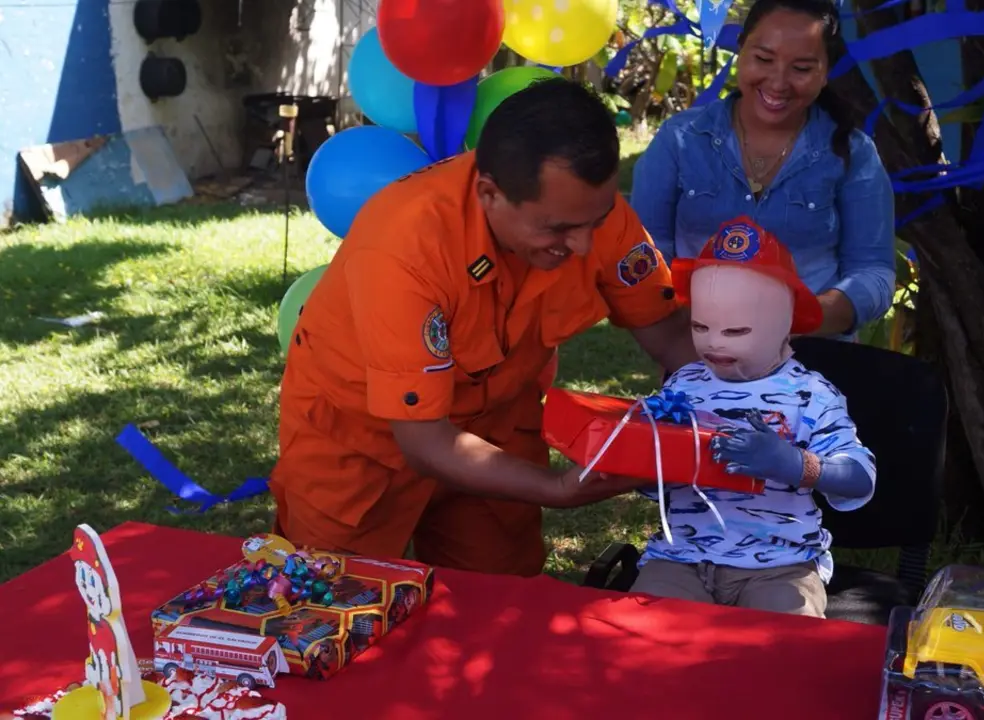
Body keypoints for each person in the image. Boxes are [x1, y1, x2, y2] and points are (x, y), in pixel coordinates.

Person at [270, 79, 698, 577]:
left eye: (597, 220)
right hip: (361, 443)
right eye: (557, 229)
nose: (583, 246)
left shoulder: (590, 213)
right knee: (334, 605)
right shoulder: (404, 245)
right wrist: (557, 489)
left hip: (497, 426)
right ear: (489, 193)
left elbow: (668, 334)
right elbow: (427, 441)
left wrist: (761, 394)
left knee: (496, 609)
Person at [630, 218, 876, 618]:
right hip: (680, 559)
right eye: (700, 326)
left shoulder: (811, 396)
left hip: (780, 567)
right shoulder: (683, 385)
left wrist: (798, 464)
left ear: (785, 324)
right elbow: (652, 483)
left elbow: (860, 477)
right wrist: (638, 458)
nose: (713, 342)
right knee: (645, 634)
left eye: (736, 330)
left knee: (782, 650)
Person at [629, 0, 897, 340]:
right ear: (741, 49)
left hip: (814, 362)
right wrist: (693, 326)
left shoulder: (852, 153)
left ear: (825, 72)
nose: (778, 82)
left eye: (801, 68)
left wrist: (805, 318)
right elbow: (645, 252)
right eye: (764, 59)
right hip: (698, 357)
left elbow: (873, 271)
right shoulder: (681, 140)